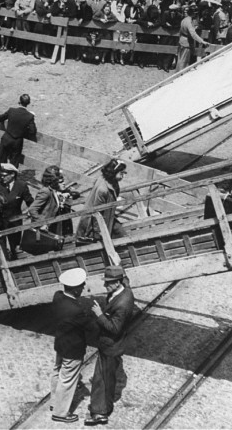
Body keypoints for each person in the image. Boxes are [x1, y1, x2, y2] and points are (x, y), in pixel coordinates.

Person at [84, 266, 136, 426]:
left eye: (109, 283)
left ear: (118, 282)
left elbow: (114, 328)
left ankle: (100, 413)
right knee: (108, 376)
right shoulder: (124, 290)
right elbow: (126, 279)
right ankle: (106, 403)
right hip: (114, 345)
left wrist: (99, 314)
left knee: (102, 380)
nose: (105, 286)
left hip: (111, 346)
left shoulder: (122, 303)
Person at [50, 268, 93, 424]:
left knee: (57, 371)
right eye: (81, 286)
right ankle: (60, 413)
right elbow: (91, 327)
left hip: (60, 343)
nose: (83, 287)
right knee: (68, 379)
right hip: (73, 349)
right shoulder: (76, 310)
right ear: (75, 289)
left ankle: (54, 403)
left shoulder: (58, 297)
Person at [76, 159, 126, 245]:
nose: (123, 176)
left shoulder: (110, 181)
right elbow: (96, 213)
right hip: (93, 223)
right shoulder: (102, 189)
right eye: (121, 173)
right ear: (114, 172)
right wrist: (99, 234)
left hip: (107, 216)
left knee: (122, 235)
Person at [0, 162, 34, 260]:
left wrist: (30, 212)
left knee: (15, 246)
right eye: (1, 175)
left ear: (12, 175)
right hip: (1, 221)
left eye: (5, 176)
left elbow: (30, 202)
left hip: (15, 222)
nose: (2, 178)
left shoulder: (21, 186)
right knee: (1, 246)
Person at [0, 94, 36, 180]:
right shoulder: (29, 116)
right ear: (28, 103)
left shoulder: (11, 110)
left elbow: (1, 118)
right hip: (17, 142)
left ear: (19, 102)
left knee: (1, 161)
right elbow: (32, 131)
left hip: (6, 138)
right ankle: (10, 185)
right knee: (13, 165)